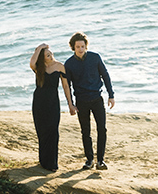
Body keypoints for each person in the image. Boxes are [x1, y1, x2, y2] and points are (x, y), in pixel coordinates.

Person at [63, 32, 115, 170]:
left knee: (102, 129)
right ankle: (89, 159)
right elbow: (67, 85)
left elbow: (105, 75)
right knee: (85, 131)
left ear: (86, 46)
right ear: (73, 47)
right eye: (78, 46)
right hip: (81, 101)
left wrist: (111, 95)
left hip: (97, 99)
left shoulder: (95, 57)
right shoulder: (69, 64)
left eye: (83, 46)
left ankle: (101, 161)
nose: (81, 49)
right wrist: (71, 104)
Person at [29, 43, 76, 172]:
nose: (50, 56)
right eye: (46, 55)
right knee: (42, 131)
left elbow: (66, 86)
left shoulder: (60, 66)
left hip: (52, 102)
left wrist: (70, 104)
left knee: (53, 130)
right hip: (39, 102)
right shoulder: (39, 67)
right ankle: (43, 161)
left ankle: (52, 163)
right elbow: (31, 63)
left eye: (50, 53)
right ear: (42, 57)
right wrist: (38, 48)